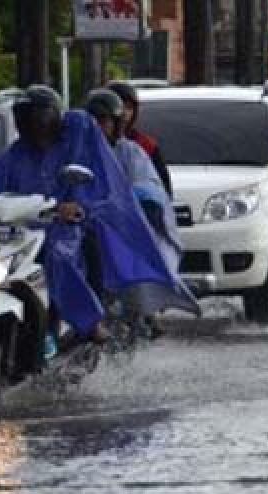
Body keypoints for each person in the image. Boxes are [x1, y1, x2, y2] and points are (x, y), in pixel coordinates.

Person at [0, 85, 198, 344]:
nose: (36, 125)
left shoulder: (91, 148)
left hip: (67, 226)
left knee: (61, 255)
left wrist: (79, 205)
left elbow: (107, 188)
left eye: (40, 117)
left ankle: (88, 320)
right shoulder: (10, 157)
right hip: (22, 230)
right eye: (29, 118)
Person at [85, 87, 185, 338]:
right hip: (75, 227)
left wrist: (135, 200)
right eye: (93, 120)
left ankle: (141, 311)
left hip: (121, 228)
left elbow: (151, 187)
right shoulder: (73, 151)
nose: (98, 127)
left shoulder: (133, 151)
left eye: (104, 121)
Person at [107, 81, 173, 198]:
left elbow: (163, 194)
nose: (125, 114)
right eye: (120, 107)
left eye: (129, 108)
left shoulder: (146, 145)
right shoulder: (88, 144)